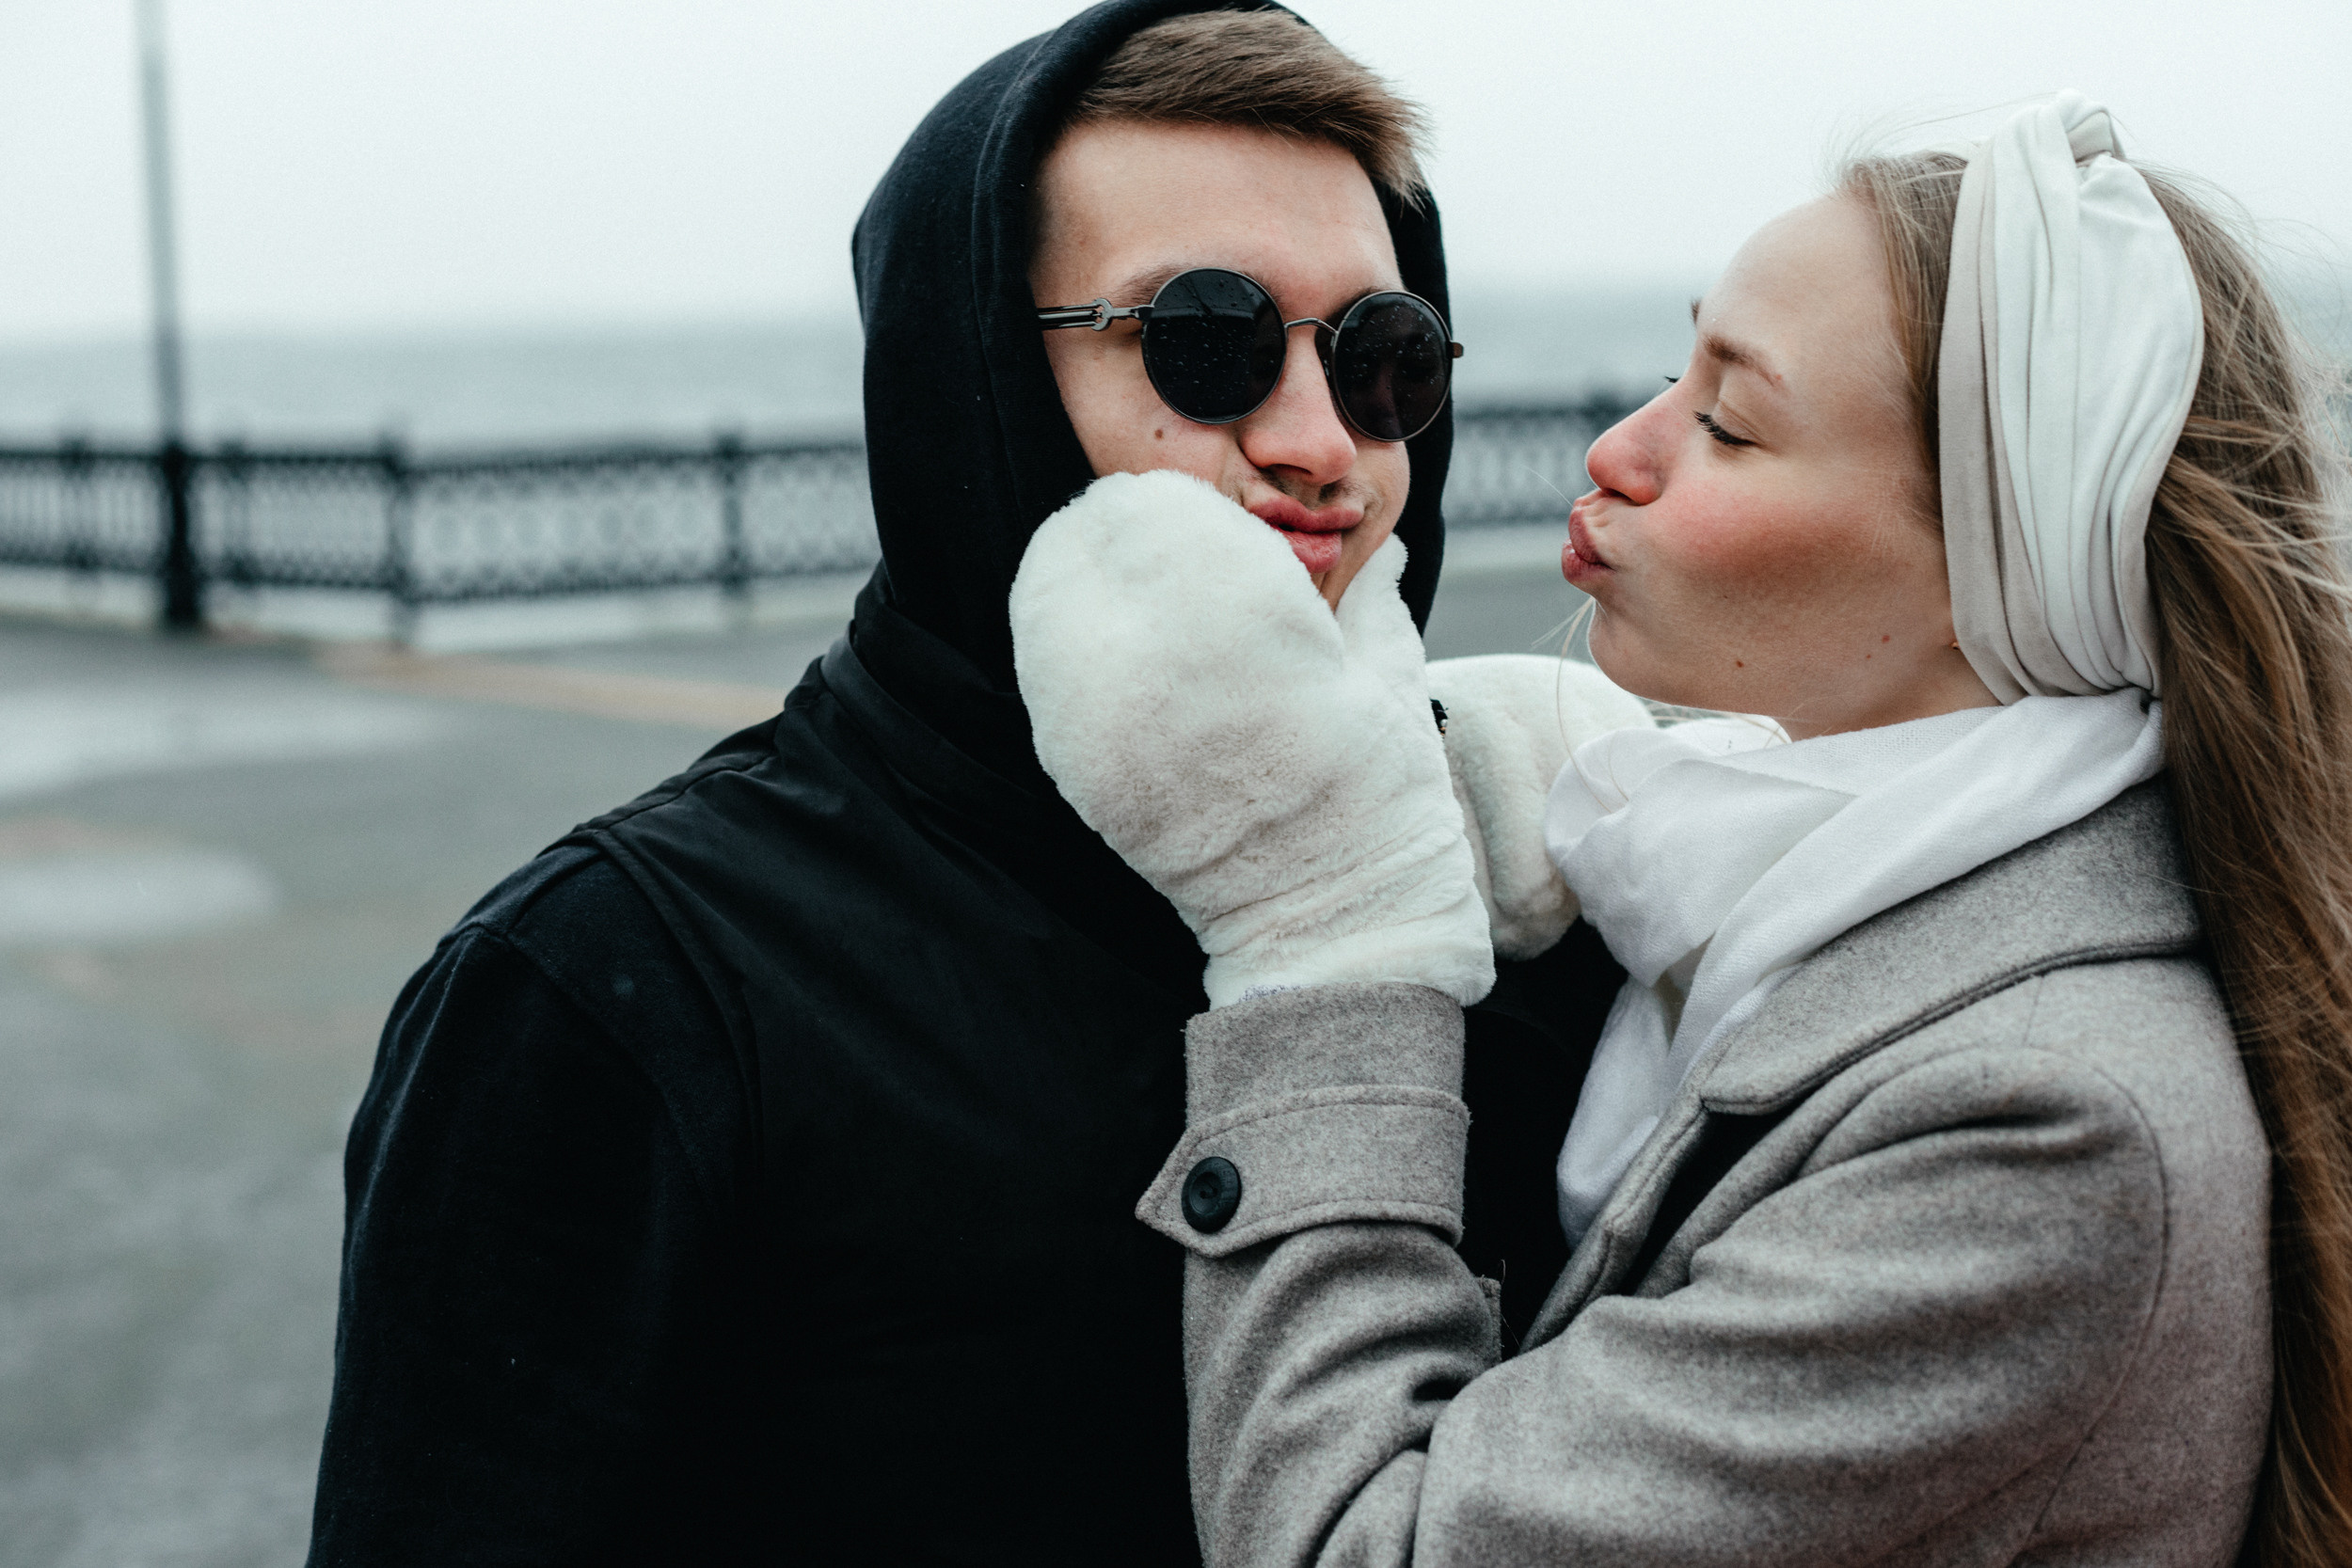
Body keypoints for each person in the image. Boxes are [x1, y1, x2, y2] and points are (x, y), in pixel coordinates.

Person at [306, 4, 1644, 1563]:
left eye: (1381, 355)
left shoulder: (1529, 880)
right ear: (978, 379)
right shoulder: (624, 986)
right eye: (1204, 340)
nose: (1318, 443)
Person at [1014, 92, 2352, 1565]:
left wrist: (1330, 939)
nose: (1618, 450)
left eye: (1725, 420)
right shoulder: (1774, 892)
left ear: (2002, 568)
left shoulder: (2048, 1128)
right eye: (1674, 369)